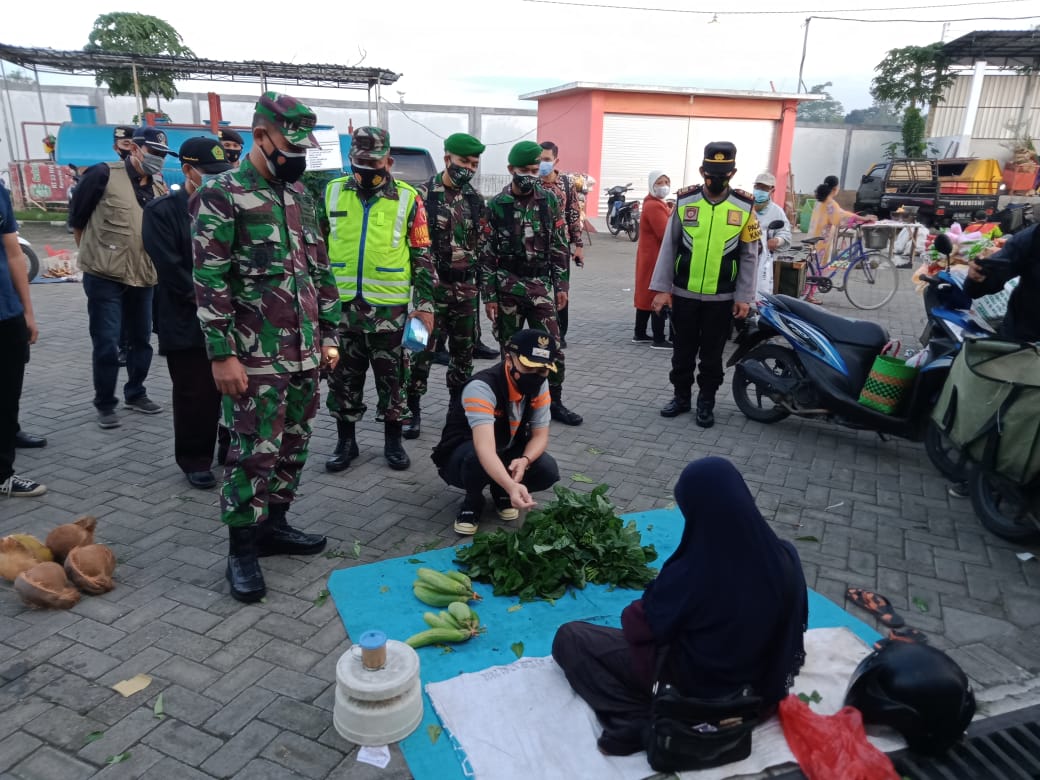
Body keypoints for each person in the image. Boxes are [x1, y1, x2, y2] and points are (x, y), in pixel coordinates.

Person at [192, 92, 342, 604]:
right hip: (253, 357)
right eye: (289, 143)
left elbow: (320, 271)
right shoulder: (223, 193)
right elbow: (209, 279)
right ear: (261, 136)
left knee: (294, 444)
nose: (296, 154)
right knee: (252, 453)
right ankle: (241, 551)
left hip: (304, 354)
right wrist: (221, 352)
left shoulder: (301, 195)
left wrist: (329, 334)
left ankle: (274, 526)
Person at [552, 457, 808, 756]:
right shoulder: (786, 557)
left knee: (571, 638)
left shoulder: (696, 571)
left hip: (696, 693)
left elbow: (636, 627)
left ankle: (637, 715)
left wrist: (658, 595)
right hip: (760, 696)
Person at [323, 126, 436, 472]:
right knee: (342, 380)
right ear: (350, 159)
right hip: (342, 313)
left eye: (374, 162)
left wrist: (425, 306)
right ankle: (346, 443)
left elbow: (422, 256)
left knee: (393, 381)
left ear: (388, 160)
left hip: (390, 314)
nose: (366, 169)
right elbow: (316, 252)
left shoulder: (407, 197)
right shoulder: (331, 193)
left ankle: (393, 444)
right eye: (359, 161)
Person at [650, 142, 760, 429]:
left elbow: (750, 255)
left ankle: (706, 403)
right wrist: (662, 289)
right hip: (684, 294)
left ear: (733, 173)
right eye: (711, 173)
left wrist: (744, 297)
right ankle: (681, 397)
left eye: (723, 174)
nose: (716, 179)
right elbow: (669, 247)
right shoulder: (685, 202)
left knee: (712, 357)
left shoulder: (745, 206)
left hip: (722, 298)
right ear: (702, 171)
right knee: (682, 352)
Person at [144, 137, 232, 490]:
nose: (215, 180)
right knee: (195, 393)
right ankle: (195, 459)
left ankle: (229, 446)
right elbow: (170, 268)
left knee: (234, 389)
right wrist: (211, 301)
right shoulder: (162, 212)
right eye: (208, 173)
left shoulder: (229, 207)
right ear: (187, 170)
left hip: (228, 316)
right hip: (185, 317)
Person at [69, 126, 169, 429]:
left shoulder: (160, 188)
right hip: (104, 276)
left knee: (141, 339)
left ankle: (135, 393)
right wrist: (93, 256)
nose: (158, 159)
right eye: (153, 152)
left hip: (143, 275)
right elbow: (78, 220)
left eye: (163, 154)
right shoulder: (103, 174)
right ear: (135, 149)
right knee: (107, 341)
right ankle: (105, 403)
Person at [483, 140, 582, 426]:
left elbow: (558, 245)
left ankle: (555, 402)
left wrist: (561, 285)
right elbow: (488, 255)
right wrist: (489, 296)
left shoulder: (548, 201)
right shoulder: (497, 205)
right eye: (524, 169)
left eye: (534, 168)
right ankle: (508, 405)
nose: (530, 174)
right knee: (509, 352)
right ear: (510, 169)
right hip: (507, 288)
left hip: (539, 286)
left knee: (551, 347)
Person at [431, 329, 561, 535]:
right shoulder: (482, 387)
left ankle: (500, 491)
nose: (535, 376)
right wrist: (512, 486)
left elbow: (540, 435)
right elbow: (485, 449)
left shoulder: (540, 383)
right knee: (475, 459)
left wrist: (525, 460)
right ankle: (472, 501)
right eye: (528, 367)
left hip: (505, 447)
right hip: (464, 454)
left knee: (547, 469)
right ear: (509, 360)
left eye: (542, 370)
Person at [404, 133, 488, 441]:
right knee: (419, 353)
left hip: (465, 292)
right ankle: (411, 411)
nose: (468, 168)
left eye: (474, 164)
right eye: (463, 161)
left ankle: (457, 411)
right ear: (447, 159)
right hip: (430, 292)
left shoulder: (475, 200)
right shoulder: (423, 195)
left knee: (463, 355)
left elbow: (482, 245)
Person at [0, 181, 46, 497]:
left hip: (5, 313)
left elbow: (14, 253)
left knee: (5, 398)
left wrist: (27, 311)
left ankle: (3, 475)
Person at [538, 141, 585, 349]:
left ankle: (560, 333)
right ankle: (539, 330)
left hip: (560, 247)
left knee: (561, 289)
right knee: (538, 289)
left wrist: (579, 246)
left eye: (546, 160)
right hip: (535, 247)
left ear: (555, 160)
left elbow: (574, 215)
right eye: (539, 159)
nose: (542, 164)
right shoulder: (531, 182)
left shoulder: (566, 184)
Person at [807, 175, 875, 302]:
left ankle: (808, 292)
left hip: (813, 237)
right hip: (822, 241)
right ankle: (809, 295)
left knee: (813, 266)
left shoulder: (820, 200)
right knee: (818, 267)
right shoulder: (830, 203)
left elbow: (839, 214)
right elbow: (840, 217)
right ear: (835, 188)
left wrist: (854, 217)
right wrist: (861, 219)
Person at [634, 170, 672, 348]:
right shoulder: (655, 206)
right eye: (659, 182)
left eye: (666, 182)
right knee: (659, 292)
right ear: (651, 184)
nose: (664, 186)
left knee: (646, 294)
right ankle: (658, 338)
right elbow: (665, 233)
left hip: (649, 256)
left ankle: (640, 333)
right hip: (656, 258)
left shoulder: (654, 203)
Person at [751, 172, 792, 297]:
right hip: (744, 257)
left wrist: (777, 241)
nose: (759, 190)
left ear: (772, 190)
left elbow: (785, 234)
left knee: (760, 292)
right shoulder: (745, 206)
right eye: (757, 187)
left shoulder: (777, 212)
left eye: (764, 188)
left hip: (763, 261)